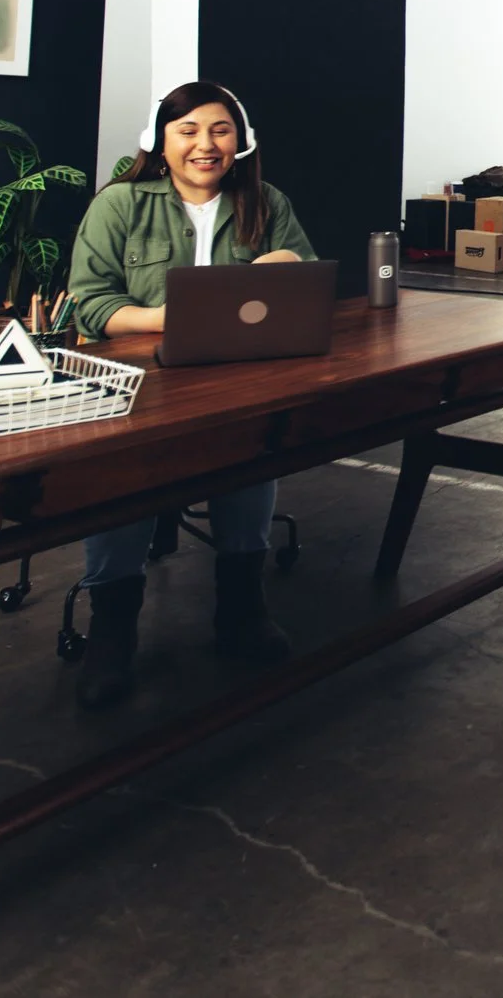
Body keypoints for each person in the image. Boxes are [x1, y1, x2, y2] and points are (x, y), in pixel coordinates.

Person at [63, 80, 318, 709]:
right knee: (122, 476)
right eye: (188, 131)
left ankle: (241, 610)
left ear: (242, 140)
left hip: (236, 372)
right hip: (136, 378)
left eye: (221, 130)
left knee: (254, 453)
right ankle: (113, 632)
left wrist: (288, 271)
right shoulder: (119, 204)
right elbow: (91, 302)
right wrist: (183, 315)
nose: (205, 145)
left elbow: (308, 283)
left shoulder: (267, 201)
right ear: (160, 141)